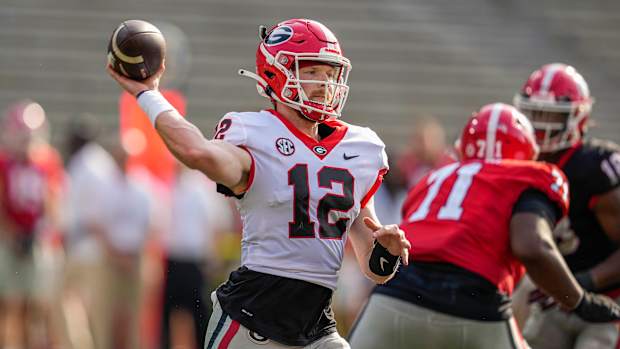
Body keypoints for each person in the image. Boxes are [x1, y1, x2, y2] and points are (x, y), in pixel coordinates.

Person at [107, 18, 411, 349]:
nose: (324, 83)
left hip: (317, 327)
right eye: (311, 72)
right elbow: (197, 152)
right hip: (252, 321)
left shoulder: (359, 148)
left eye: (329, 73)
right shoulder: (253, 132)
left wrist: (389, 251)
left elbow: (375, 267)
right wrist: (148, 94)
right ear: (276, 74)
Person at [348, 103, 620, 349]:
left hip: (393, 298)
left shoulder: (434, 178)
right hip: (474, 301)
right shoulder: (532, 175)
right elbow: (532, 247)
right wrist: (580, 300)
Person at [513, 63, 620, 349]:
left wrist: (586, 280)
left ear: (577, 118)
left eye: (550, 115)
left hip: (608, 301)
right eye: (534, 113)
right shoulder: (523, 164)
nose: (539, 124)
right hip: (556, 297)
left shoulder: (593, 168)